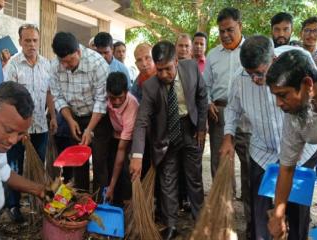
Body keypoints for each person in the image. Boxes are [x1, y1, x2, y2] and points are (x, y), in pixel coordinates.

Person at [220, 36, 317, 240]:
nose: (256, 80)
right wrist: (278, 215)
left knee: (299, 213)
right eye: (250, 74)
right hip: (263, 155)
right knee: (263, 217)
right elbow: (287, 167)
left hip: (304, 155)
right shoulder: (293, 119)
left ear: (273, 59)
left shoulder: (298, 62)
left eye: (259, 73)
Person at [130, 40, 207, 240]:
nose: (164, 75)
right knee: (168, 181)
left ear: (176, 61)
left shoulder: (191, 67)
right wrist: (136, 155)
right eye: (160, 70)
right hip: (166, 138)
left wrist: (200, 126)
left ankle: (200, 222)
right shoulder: (150, 86)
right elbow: (141, 122)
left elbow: (202, 96)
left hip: (190, 129)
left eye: (168, 69)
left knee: (194, 179)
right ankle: (171, 224)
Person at [3, 24, 57, 222]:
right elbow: (10, 99)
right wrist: (20, 127)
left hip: (41, 127)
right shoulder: (14, 65)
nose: (31, 44)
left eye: (34, 40)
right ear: (20, 42)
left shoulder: (47, 65)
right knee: (14, 167)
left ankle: (37, 204)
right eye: (27, 40)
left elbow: (50, 93)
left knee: (37, 167)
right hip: (17, 129)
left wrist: (52, 116)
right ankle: (14, 206)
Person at [266, 49, 317, 239]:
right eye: (275, 96)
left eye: (283, 95)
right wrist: (278, 214)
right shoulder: (294, 115)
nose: (278, 103)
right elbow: (287, 169)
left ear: (307, 84)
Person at [0, 81, 44, 236]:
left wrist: (40, 190)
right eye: (9, 130)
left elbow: (3, 170)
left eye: (21, 134)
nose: (13, 140)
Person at [203, 8, 251, 217]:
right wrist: (207, 102)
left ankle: (252, 218)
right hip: (219, 115)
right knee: (220, 165)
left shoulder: (252, 50)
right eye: (221, 31)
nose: (225, 35)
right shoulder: (212, 55)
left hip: (248, 118)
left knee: (250, 165)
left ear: (240, 26)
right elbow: (204, 86)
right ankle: (224, 215)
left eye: (230, 30)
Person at [50, 32, 111, 193]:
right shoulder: (55, 67)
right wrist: (70, 121)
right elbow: (58, 97)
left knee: (99, 163)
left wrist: (90, 129)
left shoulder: (97, 64)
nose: (66, 66)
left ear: (78, 51)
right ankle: (81, 200)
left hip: (98, 119)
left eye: (70, 61)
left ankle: (99, 203)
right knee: (78, 162)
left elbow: (101, 100)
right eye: (63, 62)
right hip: (75, 117)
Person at [104, 72, 138, 206]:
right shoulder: (103, 97)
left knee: (124, 168)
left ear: (126, 92)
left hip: (129, 138)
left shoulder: (132, 106)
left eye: (120, 98)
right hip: (114, 133)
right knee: (108, 162)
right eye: (112, 98)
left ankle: (126, 201)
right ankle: (112, 198)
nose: (116, 102)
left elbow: (121, 149)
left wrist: (111, 186)